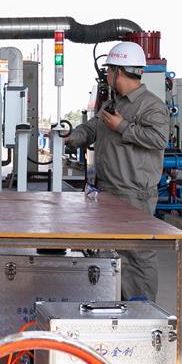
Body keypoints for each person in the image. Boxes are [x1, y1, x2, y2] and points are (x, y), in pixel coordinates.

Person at [64, 40, 169, 302]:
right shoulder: (114, 103)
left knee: (137, 254)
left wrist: (122, 126)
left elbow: (159, 139)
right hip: (108, 191)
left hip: (134, 194)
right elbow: (93, 128)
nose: (107, 76)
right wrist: (71, 136)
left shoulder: (150, 105)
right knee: (112, 252)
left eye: (109, 70)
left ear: (118, 72)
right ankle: (117, 307)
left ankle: (143, 311)